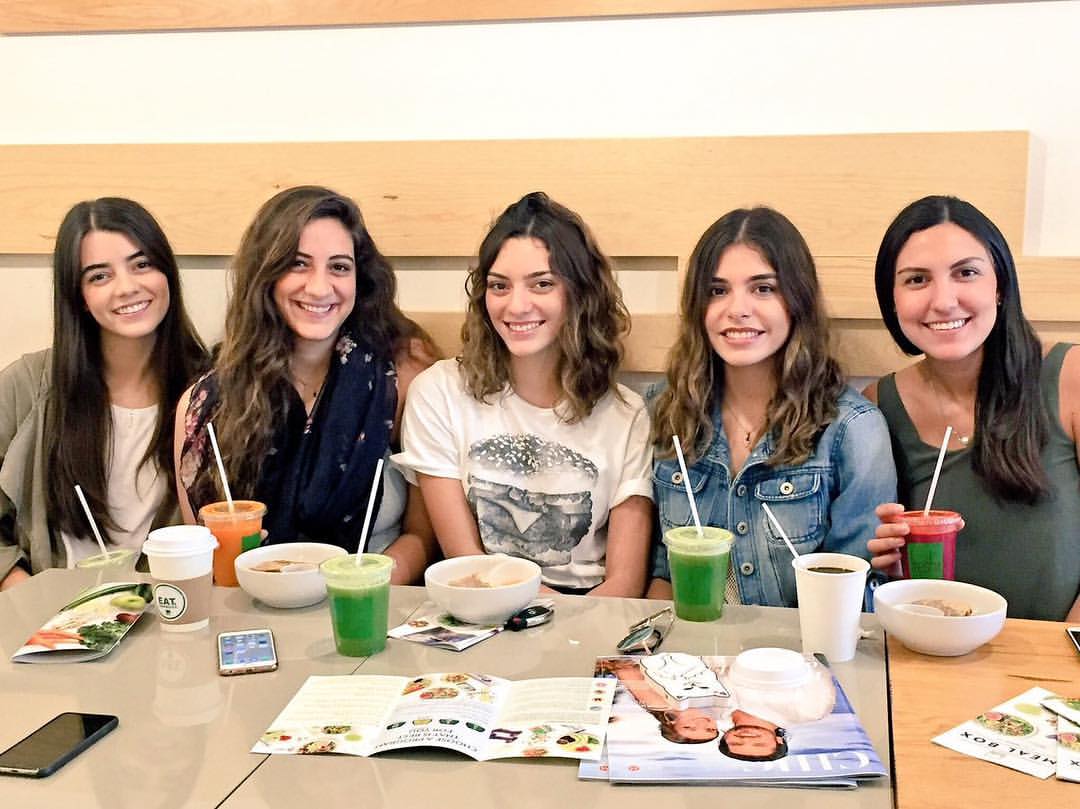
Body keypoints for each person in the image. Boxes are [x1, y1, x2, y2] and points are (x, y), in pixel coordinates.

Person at [393, 191, 653, 596]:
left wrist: (571, 623)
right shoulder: (439, 393)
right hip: (480, 604)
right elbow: (465, 560)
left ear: (580, 294)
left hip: (592, 611)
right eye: (499, 286)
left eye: (542, 284)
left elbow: (625, 583)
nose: (516, 306)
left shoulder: (627, 414)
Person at [175, 186, 438, 584]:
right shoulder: (203, 406)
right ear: (264, 276)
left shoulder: (401, 378)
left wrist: (361, 583)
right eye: (298, 264)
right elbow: (199, 556)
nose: (319, 288)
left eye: (339, 267)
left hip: (370, 603)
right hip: (252, 607)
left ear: (360, 278)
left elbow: (423, 536)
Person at [647, 207, 896, 605]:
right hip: (686, 640)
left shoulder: (853, 429)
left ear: (797, 300)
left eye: (763, 288)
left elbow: (854, 595)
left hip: (803, 644)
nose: (737, 309)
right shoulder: (666, 408)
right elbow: (662, 572)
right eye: (717, 291)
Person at [865, 195, 1080, 622]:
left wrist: (1062, 647)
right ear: (892, 300)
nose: (944, 301)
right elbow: (888, 582)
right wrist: (892, 568)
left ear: (999, 286)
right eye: (916, 280)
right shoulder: (876, 405)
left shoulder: (1069, 376)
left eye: (966, 273)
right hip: (931, 645)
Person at [1, 198, 207, 589]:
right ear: (78, 295)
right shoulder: (27, 385)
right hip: (49, 615)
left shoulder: (211, 393)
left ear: (167, 272)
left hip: (173, 610)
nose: (127, 287)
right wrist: (25, 593)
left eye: (141, 264)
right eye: (99, 276)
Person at [717, 709, 788, 762]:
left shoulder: (716, 714)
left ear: (724, 738)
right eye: (759, 744)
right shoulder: (790, 710)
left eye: (736, 743)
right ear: (779, 740)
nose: (746, 739)